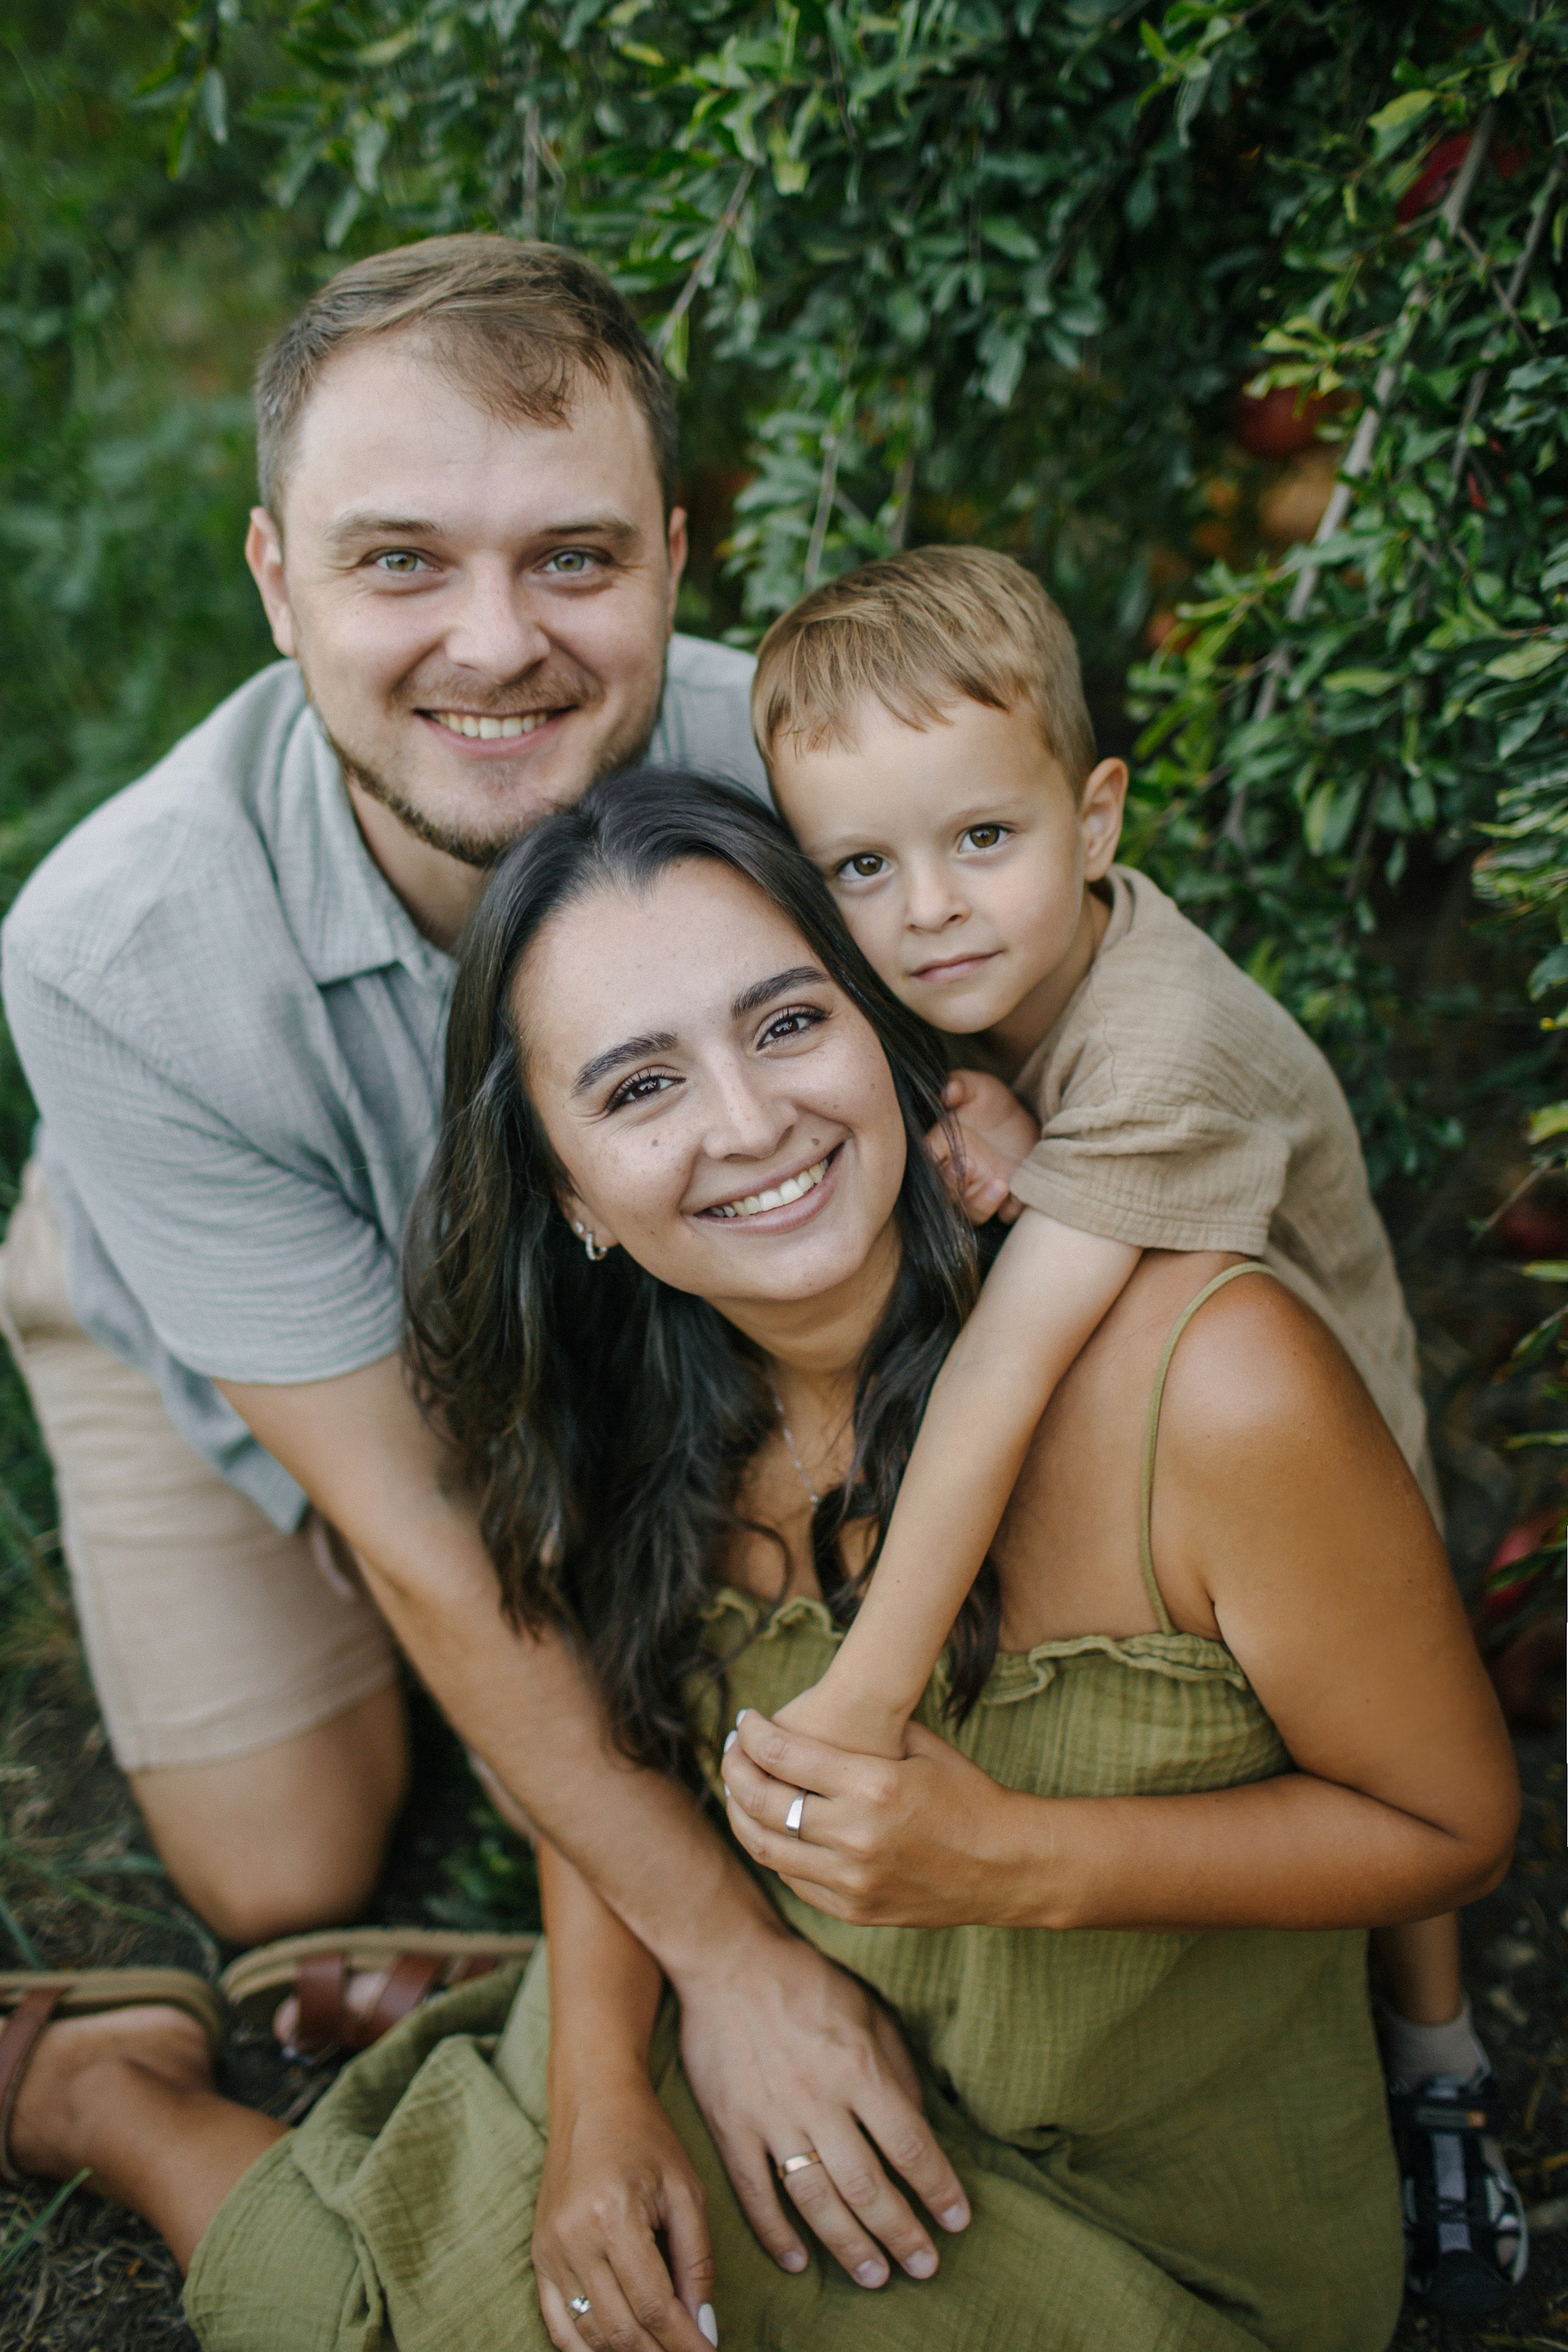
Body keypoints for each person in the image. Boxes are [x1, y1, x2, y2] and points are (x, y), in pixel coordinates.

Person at [0, 773, 1518, 2351]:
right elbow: (620, 1757)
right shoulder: (625, 1410)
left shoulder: (1211, 1385)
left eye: (788, 1024)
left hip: (1172, 2237)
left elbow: (1454, 1828)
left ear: (887, 1035)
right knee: (374, 2307)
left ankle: (271, 2075)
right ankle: (117, 2097)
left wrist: (1014, 1860)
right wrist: (599, 2090)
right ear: (571, 1193)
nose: (748, 1123)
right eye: (640, 1089)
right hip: (753, 2056)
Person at [0, 238, 973, 2272]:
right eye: (400, 564)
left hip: (643, 1294)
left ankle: (553, 1888)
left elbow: (1119, 987)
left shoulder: (814, 770)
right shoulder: (112, 955)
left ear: (677, 558)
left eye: (574, 558)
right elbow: (433, 1531)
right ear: (276, 580)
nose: (497, 643)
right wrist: (725, 1960)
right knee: (281, 1871)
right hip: (231, 1313)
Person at [747, 546, 1529, 2313]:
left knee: (1376, 1756)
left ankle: (1440, 2066)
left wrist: (862, 1695)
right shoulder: (944, 980)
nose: (928, 910)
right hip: (1145, 1404)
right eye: (861, 867)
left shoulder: (1165, 1040)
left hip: (1305, 1431)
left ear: (1096, 819)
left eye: (983, 839)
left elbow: (1003, 1372)